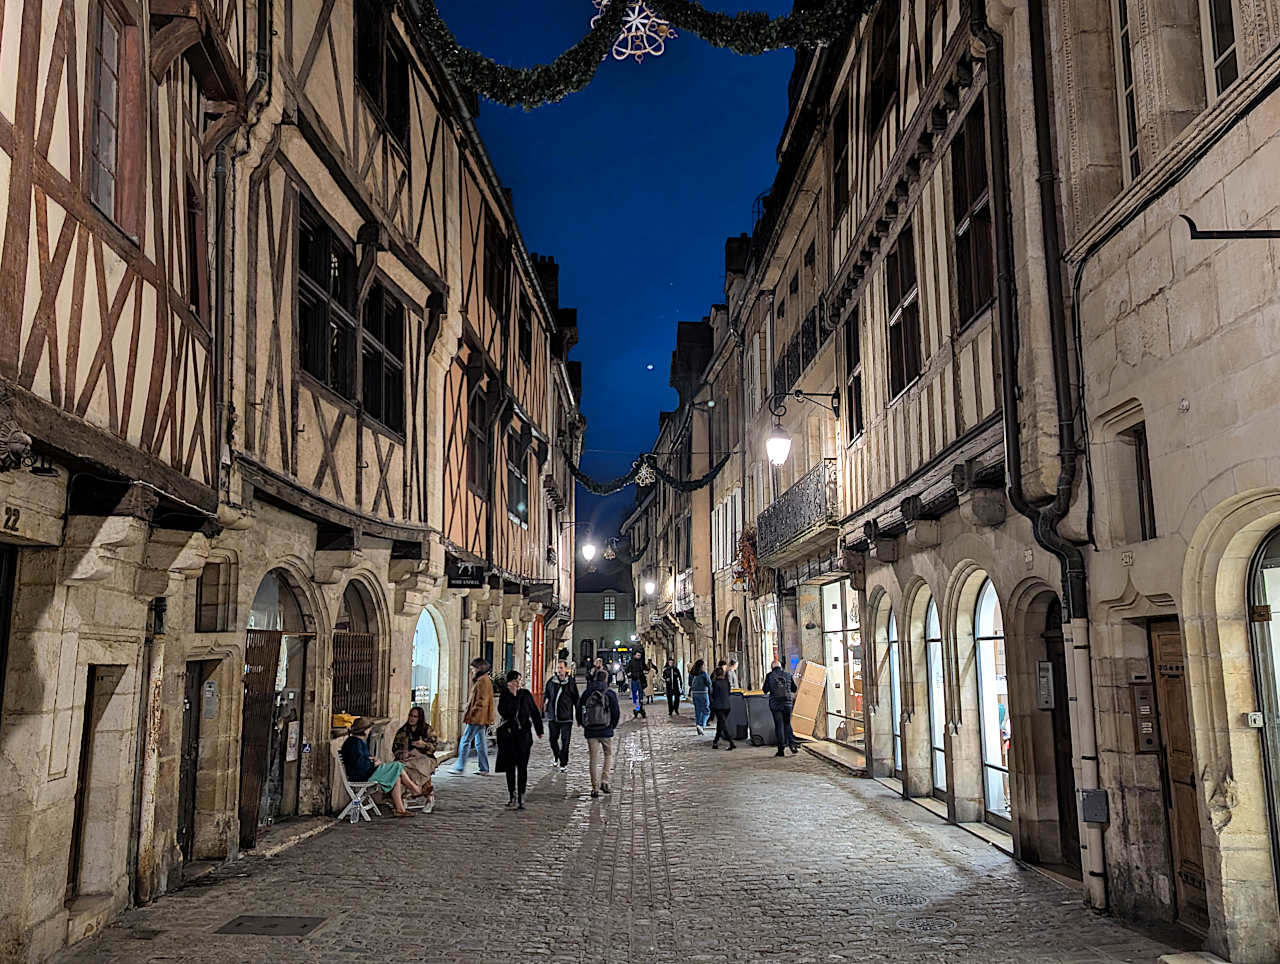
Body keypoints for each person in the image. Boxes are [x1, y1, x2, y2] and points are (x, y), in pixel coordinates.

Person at [341, 717, 422, 817]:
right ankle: (414, 789)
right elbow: (359, 765)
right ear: (365, 730)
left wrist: (372, 760)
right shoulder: (355, 743)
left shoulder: (356, 742)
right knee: (397, 765)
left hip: (366, 772)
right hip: (362, 775)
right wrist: (374, 764)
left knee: (396, 776)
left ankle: (400, 809)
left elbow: (361, 759)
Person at [495, 671, 543, 810]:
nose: (518, 683)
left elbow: (534, 712)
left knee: (522, 767)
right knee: (510, 767)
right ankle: (512, 794)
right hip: (510, 736)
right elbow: (503, 712)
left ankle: (521, 795)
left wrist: (539, 730)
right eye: (515, 681)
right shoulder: (505, 696)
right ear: (509, 682)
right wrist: (512, 696)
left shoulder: (525, 694)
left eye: (519, 681)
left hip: (524, 736)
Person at [578, 668, 621, 799]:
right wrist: (612, 726)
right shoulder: (610, 693)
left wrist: (582, 722)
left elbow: (579, 707)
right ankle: (605, 781)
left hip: (591, 730)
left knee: (593, 758)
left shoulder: (587, 692)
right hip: (606, 729)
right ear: (606, 679)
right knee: (608, 755)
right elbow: (616, 712)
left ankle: (595, 788)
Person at [451, 658, 495, 775]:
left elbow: (482, 701)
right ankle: (484, 768)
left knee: (465, 740)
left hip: (477, 717)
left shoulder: (482, 681)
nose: (472, 670)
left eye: (473, 668)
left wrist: (472, 713)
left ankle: (460, 766)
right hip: (480, 717)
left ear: (479, 668)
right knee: (480, 742)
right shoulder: (484, 680)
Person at [392, 705, 439, 811]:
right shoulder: (403, 731)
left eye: (415, 716)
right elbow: (395, 748)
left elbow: (434, 747)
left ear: (419, 718)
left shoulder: (427, 730)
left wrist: (423, 745)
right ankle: (409, 793)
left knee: (418, 769)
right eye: (410, 716)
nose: (412, 718)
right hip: (407, 759)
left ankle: (425, 794)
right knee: (400, 768)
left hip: (424, 758)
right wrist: (403, 754)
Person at [543, 659, 580, 771]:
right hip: (553, 717)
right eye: (558, 668)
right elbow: (547, 695)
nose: (559, 670)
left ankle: (563, 763)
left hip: (566, 717)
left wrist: (579, 717)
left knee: (565, 741)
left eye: (561, 668)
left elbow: (576, 700)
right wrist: (545, 702)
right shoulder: (551, 682)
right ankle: (556, 755)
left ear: (566, 669)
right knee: (552, 739)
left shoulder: (571, 682)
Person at [762, 659, 799, 756]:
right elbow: (794, 689)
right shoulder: (787, 674)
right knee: (787, 724)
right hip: (787, 704)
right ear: (780, 666)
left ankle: (781, 750)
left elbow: (765, 690)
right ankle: (792, 745)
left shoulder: (769, 676)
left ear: (772, 668)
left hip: (775, 705)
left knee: (779, 726)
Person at [710, 661, 735, 750]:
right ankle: (715, 741)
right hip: (727, 706)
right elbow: (728, 693)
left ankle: (731, 742)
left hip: (718, 706)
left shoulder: (715, 683)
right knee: (720, 723)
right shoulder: (726, 682)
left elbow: (713, 695)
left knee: (723, 724)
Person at [688, 659, 712, 734]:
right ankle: (702, 725)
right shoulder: (703, 673)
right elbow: (709, 683)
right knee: (706, 710)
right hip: (703, 693)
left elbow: (689, 683)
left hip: (694, 693)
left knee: (697, 711)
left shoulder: (692, 673)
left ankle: (698, 725)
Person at [627, 650, 648, 719]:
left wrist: (646, 670)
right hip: (634, 680)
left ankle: (640, 707)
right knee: (635, 694)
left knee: (641, 694)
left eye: (640, 655)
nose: (639, 657)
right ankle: (638, 708)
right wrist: (629, 673)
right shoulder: (631, 662)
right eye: (638, 655)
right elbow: (627, 669)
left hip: (641, 680)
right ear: (635, 655)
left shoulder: (642, 662)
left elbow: (646, 668)